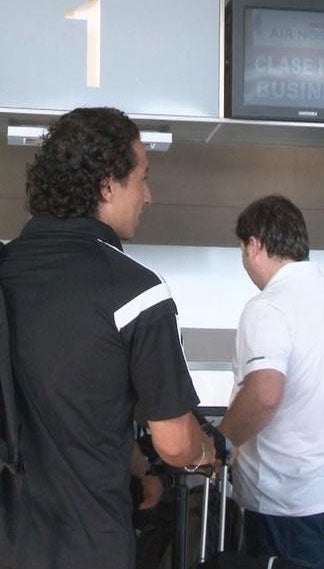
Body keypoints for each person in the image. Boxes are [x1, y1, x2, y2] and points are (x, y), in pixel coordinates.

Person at [0, 107, 215, 569]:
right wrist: (207, 452)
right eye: (142, 178)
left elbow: (56, 408)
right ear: (106, 185)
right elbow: (176, 443)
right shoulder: (135, 291)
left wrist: (138, 469)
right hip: (87, 543)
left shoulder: (6, 268)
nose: (149, 196)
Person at [219, 195, 324, 569]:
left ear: (254, 245)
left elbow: (265, 393)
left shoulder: (268, 306)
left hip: (286, 501)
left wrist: (222, 440)